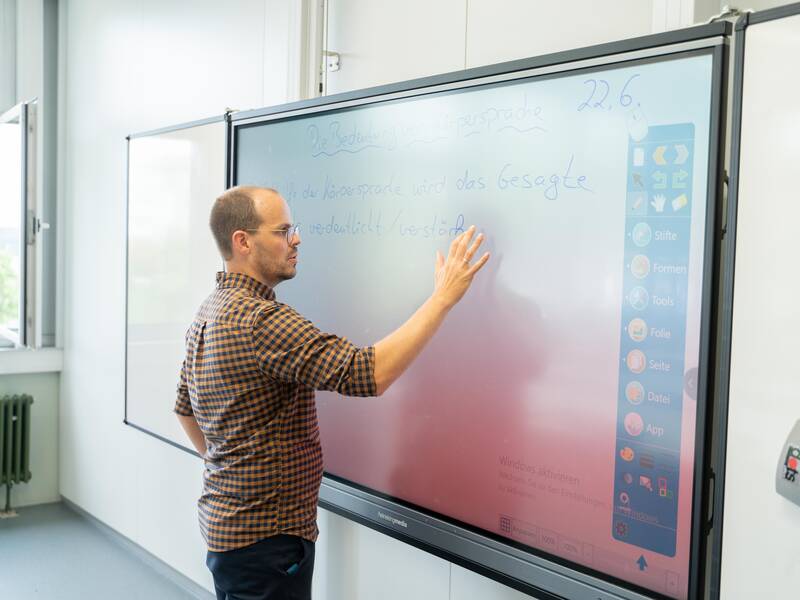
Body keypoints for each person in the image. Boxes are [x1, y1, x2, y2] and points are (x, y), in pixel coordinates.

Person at [175, 185, 489, 600]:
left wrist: (232, 468)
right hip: (267, 543)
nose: (297, 239)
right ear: (243, 241)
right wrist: (444, 297)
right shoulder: (260, 321)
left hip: (230, 531)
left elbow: (184, 410)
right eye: (283, 230)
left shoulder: (209, 310)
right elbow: (368, 372)